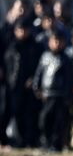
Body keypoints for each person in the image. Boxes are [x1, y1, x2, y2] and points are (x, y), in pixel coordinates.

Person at [4, 19, 44, 147]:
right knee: (16, 114)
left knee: (31, 115)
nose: (22, 33)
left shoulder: (35, 46)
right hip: (14, 86)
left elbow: (40, 66)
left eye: (24, 30)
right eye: (19, 30)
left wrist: (33, 79)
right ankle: (18, 141)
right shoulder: (11, 46)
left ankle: (30, 141)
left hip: (31, 87)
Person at [32, 28, 72, 151]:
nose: (57, 44)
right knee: (44, 120)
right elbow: (39, 73)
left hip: (59, 95)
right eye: (55, 41)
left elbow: (69, 79)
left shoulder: (66, 59)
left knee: (58, 122)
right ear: (49, 42)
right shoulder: (45, 56)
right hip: (46, 94)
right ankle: (45, 143)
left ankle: (56, 145)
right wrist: (36, 87)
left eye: (60, 41)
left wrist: (67, 95)